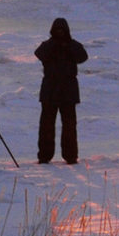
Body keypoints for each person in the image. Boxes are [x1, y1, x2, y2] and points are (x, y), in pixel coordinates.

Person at [34, 17, 88, 164]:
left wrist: (67, 46)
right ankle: (46, 156)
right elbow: (39, 53)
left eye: (61, 30)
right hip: (54, 89)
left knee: (67, 126)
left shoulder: (72, 45)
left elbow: (83, 57)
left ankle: (69, 155)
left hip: (64, 90)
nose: (59, 33)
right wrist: (56, 45)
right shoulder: (48, 45)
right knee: (48, 126)